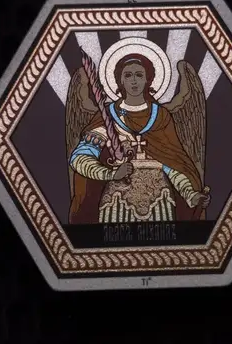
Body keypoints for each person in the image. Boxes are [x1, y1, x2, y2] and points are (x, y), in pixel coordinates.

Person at [69, 53, 210, 224]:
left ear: (148, 79)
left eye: (139, 75)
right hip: (118, 200)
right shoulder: (108, 116)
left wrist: (190, 194)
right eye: (128, 75)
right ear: (120, 80)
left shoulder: (160, 117)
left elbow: (172, 165)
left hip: (159, 199)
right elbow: (80, 158)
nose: (134, 81)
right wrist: (111, 174)